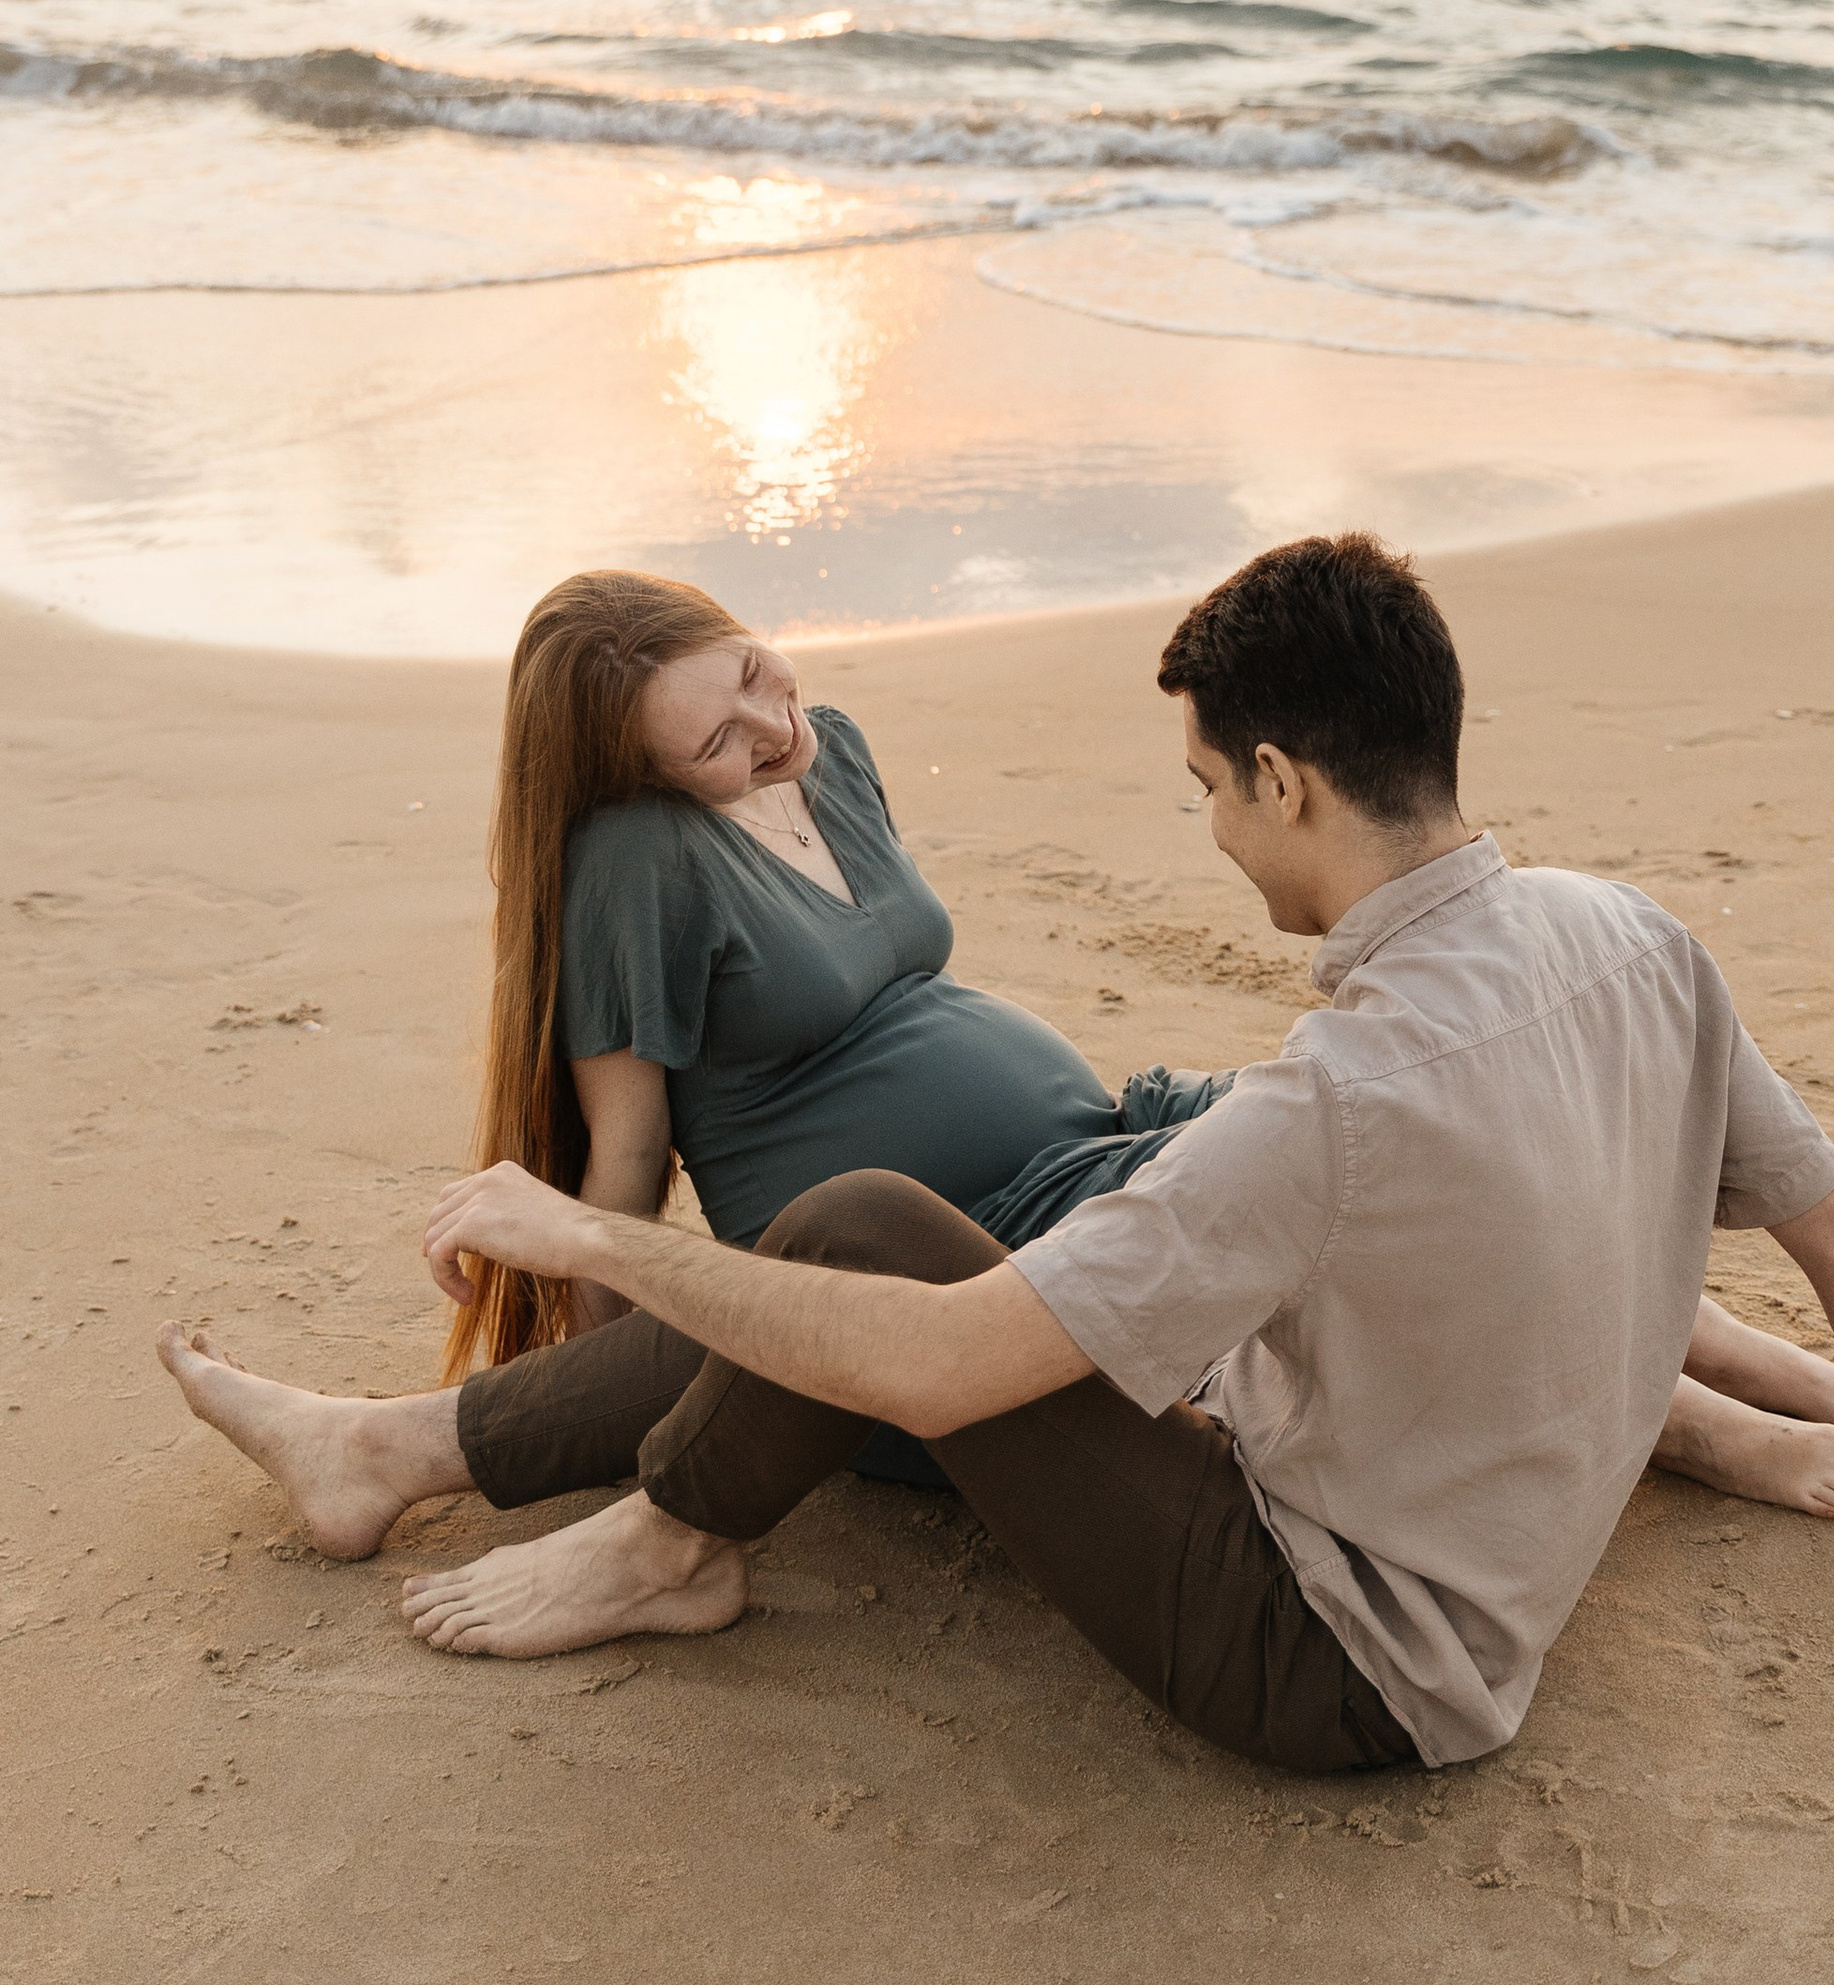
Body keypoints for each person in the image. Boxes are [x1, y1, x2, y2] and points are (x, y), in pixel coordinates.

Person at [165, 534, 1834, 1777]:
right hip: (1445, 1544)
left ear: (1283, 779)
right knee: (869, 1237)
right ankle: (436, 1465)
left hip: (1338, 1664)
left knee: (861, 1238)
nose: (1208, 835)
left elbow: (940, 1360)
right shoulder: (1629, 935)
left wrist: (608, 1254)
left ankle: (644, 1534)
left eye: (1204, 794)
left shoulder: (1327, 1108)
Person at [160, 567, 1229, 1532]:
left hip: (1099, 1139)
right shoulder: (638, 856)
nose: (770, 725)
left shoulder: (834, 749)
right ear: (641, 773)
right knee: (1284, 1189)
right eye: (715, 743)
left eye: (754, 672)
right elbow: (627, 1152)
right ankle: (376, 1450)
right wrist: (572, 1402)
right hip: (932, 1266)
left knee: (1311, 1114)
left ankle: (379, 1446)